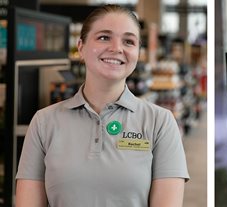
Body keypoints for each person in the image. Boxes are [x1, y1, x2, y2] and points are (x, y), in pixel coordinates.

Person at [15, 4, 189, 206]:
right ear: (81, 47)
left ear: (137, 52)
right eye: (104, 37)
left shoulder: (160, 123)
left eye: (129, 41)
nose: (117, 48)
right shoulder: (44, 122)